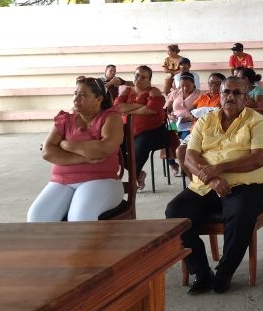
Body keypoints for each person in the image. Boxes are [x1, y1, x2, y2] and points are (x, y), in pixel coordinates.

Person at [165, 76, 263, 295]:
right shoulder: (205, 121)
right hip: (207, 185)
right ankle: (202, 273)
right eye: (226, 92)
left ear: (246, 97)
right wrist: (212, 179)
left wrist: (220, 167)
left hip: (248, 185)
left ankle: (224, 273)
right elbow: (189, 157)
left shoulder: (256, 121)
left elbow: (258, 159)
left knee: (239, 213)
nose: (230, 97)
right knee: (175, 213)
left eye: (236, 93)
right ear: (220, 95)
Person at [27, 77, 124, 222]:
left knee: (80, 217)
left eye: (82, 95)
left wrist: (66, 145)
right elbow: (47, 152)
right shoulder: (65, 120)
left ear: (98, 99)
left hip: (102, 180)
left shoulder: (111, 118)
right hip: (61, 181)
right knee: (37, 217)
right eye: (75, 94)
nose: (76, 98)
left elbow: (103, 149)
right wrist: (84, 158)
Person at [114, 65, 167, 191]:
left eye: (144, 77)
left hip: (153, 132)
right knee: (114, 149)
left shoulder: (153, 91)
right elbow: (117, 108)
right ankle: (138, 175)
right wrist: (140, 106)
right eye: (137, 75)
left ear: (149, 80)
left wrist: (128, 110)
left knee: (139, 149)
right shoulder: (127, 91)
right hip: (127, 131)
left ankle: (132, 182)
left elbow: (150, 110)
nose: (139, 79)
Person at [165, 72, 200, 176]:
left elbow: (198, 111)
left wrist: (189, 117)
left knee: (185, 140)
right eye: (182, 86)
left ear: (193, 84)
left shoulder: (199, 94)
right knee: (167, 137)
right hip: (174, 122)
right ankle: (172, 163)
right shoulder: (175, 93)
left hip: (189, 123)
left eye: (187, 86)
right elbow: (167, 109)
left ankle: (185, 166)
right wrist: (170, 116)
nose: (184, 88)